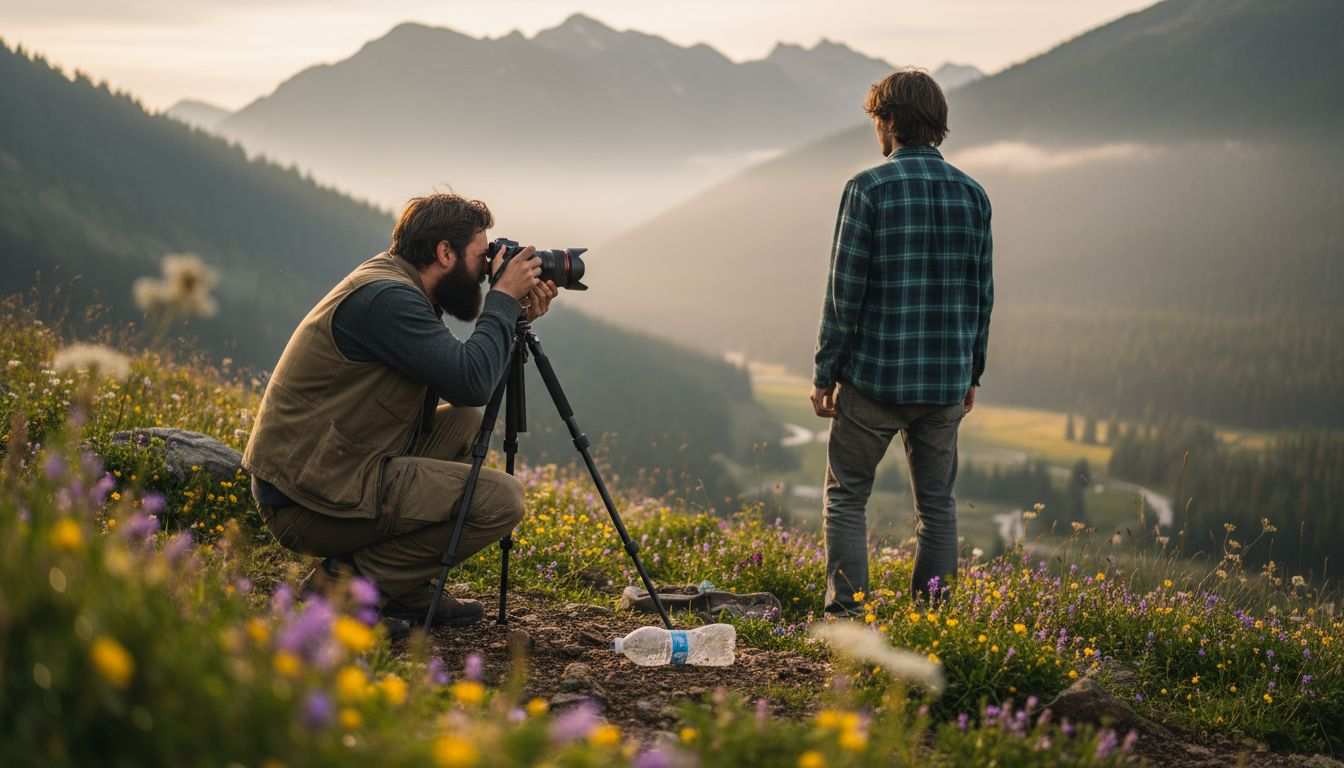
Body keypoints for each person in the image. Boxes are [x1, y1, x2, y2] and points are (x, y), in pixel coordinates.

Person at [242, 193, 559, 629]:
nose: (486, 270)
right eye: (481, 256)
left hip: (329, 469)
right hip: (306, 502)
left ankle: (401, 587)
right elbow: (472, 381)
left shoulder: (398, 282)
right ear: (444, 252)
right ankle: (346, 587)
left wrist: (512, 316)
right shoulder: (388, 299)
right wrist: (502, 299)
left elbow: (467, 384)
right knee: (501, 501)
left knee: (466, 423)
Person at [811, 68, 993, 613]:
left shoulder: (867, 189)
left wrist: (825, 373)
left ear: (889, 121)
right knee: (937, 506)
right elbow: (981, 295)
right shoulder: (974, 195)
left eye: (876, 120)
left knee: (847, 496)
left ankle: (848, 616)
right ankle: (933, 619)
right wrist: (972, 372)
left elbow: (844, 293)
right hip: (944, 383)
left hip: (875, 378)